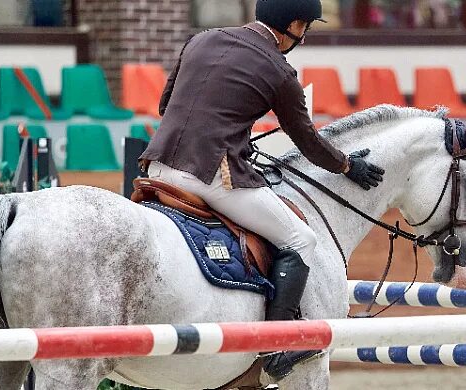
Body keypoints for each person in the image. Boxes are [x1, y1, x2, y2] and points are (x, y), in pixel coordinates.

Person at [138, 0, 385, 380]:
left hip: (156, 166)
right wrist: (349, 165)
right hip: (209, 176)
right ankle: (277, 345)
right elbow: (308, 142)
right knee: (300, 238)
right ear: (296, 24)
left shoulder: (201, 39)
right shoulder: (280, 71)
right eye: (307, 27)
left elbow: (165, 105)